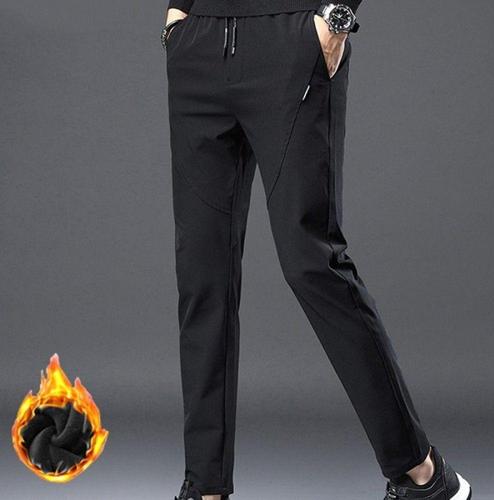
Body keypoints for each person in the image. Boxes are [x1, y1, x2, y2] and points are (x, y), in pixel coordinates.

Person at [162, 1, 472, 499]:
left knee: (312, 262)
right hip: (198, 43)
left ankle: (422, 474)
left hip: (291, 40)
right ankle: (205, 487)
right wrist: (178, 12)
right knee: (202, 275)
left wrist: (335, 17)